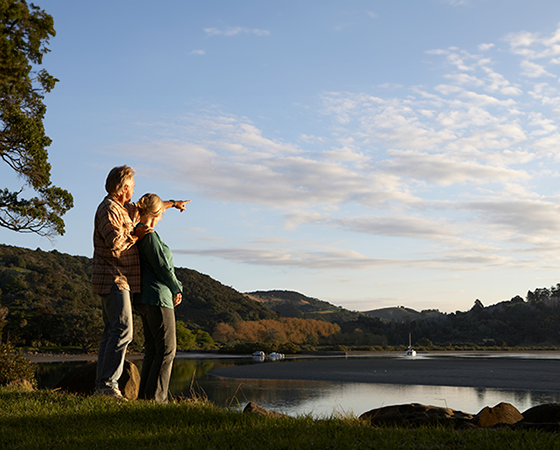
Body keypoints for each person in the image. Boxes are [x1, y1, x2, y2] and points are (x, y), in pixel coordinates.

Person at [92, 165, 189, 399]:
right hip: (113, 277)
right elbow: (116, 241)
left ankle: (103, 385)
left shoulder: (126, 209)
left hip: (125, 280)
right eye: (132, 187)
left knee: (113, 331)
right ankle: (107, 386)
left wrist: (173, 204)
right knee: (122, 330)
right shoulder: (108, 209)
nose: (134, 192)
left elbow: (149, 207)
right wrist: (137, 235)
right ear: (124, 188)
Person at [134, 193, 182, 403]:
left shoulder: (138, 230)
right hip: (158, 297)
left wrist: (173, 203)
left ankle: (145, 398)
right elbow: (163, 267)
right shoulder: (150, 236)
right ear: (158, 213)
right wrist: (177, 288)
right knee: (167, 351)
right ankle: (156, 400)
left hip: (144, 298)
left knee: (153, 350)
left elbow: (157, 204)